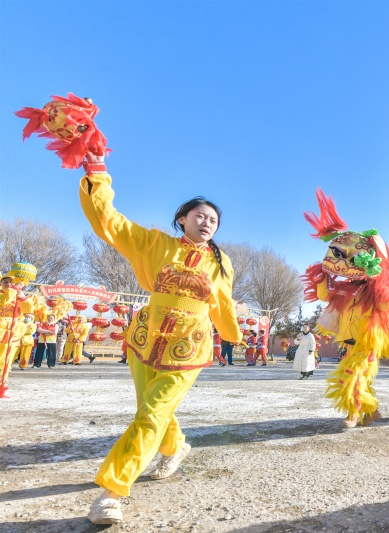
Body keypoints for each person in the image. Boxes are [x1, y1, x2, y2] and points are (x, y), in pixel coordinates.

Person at [78, 153, 242, 525]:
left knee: (151, 413)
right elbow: (110, 223)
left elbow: (223, 300)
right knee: (150, 411)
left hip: (188, 348)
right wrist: (98, 175)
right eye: (200, 215)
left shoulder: (222, 262)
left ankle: (112, 491)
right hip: (144, 339)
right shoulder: (154, 244)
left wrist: (233, 335)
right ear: (182, 218)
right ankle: (176, 447)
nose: (207, 223)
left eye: (214, 220)